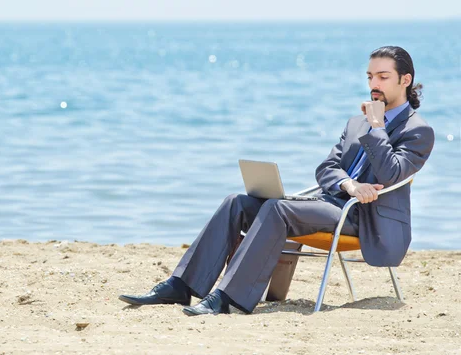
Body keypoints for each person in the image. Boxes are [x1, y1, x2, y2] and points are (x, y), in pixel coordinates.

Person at [119, 46, 435, 316]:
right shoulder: (356, 122)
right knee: (237, 202)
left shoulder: (417, 131)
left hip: (365, 219)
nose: (373, 84)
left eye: (382, 77)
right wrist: (348, 185)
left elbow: (392, 173)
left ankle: (228, 298)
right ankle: (181, 285)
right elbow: (326, 168)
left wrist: (377, 126)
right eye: (370, 77)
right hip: (333, 202)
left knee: (278, 208)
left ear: (405, 80)